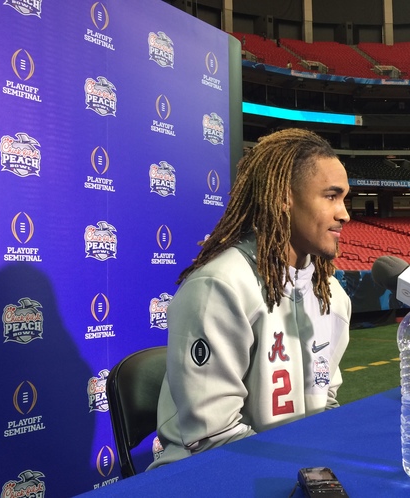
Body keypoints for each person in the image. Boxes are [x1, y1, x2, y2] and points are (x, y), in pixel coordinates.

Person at [149, 128, 352, 468]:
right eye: (331, 197)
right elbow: (214, 436)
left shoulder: (332, 294)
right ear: (284, 197)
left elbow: (325, 398)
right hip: (208, 476)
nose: (344, 213)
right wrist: (299, 467)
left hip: (293, 467)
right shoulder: (220, 285)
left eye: (344, 198)